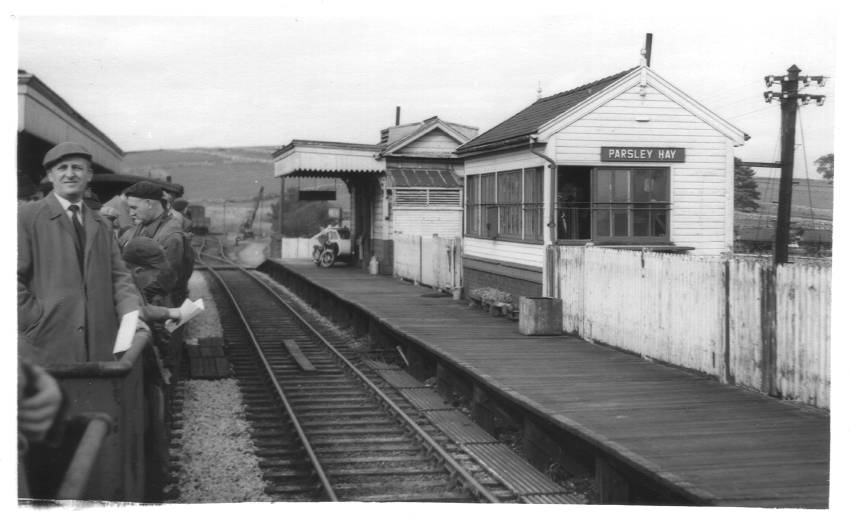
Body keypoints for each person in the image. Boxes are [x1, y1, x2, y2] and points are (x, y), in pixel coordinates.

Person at [18, 142, 142, 364]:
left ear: (89, 175)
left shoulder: (102, 224)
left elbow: (120, 277)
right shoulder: (26, 217)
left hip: (100, 341)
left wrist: (130, 315)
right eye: (62, 168)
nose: (70, 174)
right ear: (50, 176)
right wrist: (34, 320)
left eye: (77, 167)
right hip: (46, 343)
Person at [121, 181, 192, 305]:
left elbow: (165, 279)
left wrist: (135, 300)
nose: (131, 213)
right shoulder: (139, 228)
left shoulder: (171, 236)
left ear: (149, 203)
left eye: (134, 207)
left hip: (159, 307)